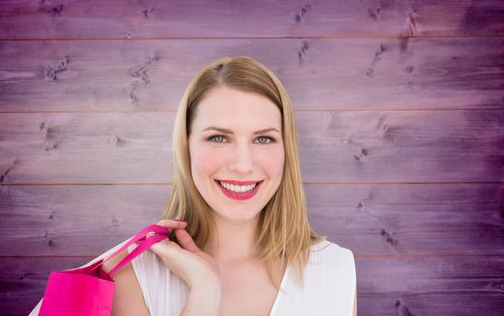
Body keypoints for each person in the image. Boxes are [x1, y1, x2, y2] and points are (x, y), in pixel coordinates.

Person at [102, 56, 357, 315]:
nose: (243, 165)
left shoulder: (336, 269)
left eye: (264, 139)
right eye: (219, 137)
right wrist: (204, 291)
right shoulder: (131, 275)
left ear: (286, 149)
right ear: (186, 145)